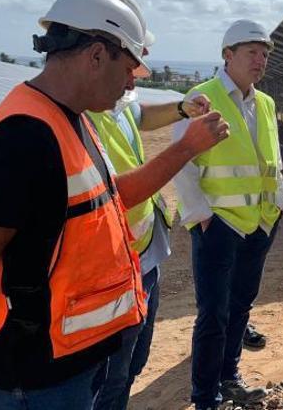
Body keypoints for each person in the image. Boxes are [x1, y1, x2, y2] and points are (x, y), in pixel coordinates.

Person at [0, 0, 228, 410]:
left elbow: (104, 202)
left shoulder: (73, 118)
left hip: (71, 360)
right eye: (129, 69)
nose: (130, 85)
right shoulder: (22, 135)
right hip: (35, 378)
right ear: (97, 55)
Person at [173, 19, 283, 410]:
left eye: (265, 54)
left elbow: (267, 162)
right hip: (218, 225)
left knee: (241, 306)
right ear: (228, 55)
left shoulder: (266, 103)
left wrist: (277, 208)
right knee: (214, 314)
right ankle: (206, 396)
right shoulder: (202, 97)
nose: (261, 60)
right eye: (252, 52)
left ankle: (229, 377)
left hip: (259, 223)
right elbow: (183, 162)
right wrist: (201, 216)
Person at [87, 91, 211, 410]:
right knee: (109, 378)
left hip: (144, 254)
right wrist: (185, 148)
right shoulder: (80, 116)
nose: (134, 76)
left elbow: (138, 114)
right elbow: (111, 195)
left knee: (133, 363)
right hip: (113, 265)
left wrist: (181, 108)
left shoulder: (117, 101)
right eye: (130, 64)